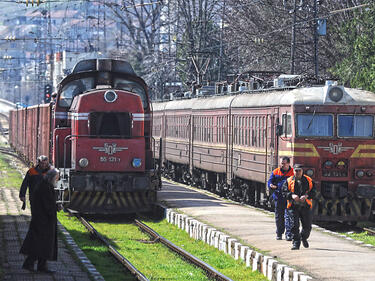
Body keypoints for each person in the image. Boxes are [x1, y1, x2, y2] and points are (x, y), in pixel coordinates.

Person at [20, 168, 60, 273]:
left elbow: (47, 203)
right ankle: (30, 264)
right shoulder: (45, 187)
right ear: (52, 177)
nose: (57, 179)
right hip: (43, 220)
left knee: (43, 244)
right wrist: (55, 208)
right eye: (56, 177)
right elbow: (47, 205)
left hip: (43, 219)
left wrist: (55, 207)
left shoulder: (45, 185)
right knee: (40, 243)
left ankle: (41, 266)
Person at [282, 164, 316, 250]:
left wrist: (306, 196)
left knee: (307, 227)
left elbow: (314, 192)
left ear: (302, 171)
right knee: (294, 225)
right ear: (293, 171)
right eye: (296, 171)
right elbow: (284, 192)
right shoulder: (288, 181)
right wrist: (291, 195)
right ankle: (296, 243)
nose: (297, 172)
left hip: (305, 206)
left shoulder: (309, 180)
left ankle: (303, 238)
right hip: (293, 206)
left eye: (299, 171)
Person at [268, 156, 294, 241]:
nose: (282, 165)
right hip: (278, 197)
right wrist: (270, 185)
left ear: (288, 163)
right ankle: (279, 233)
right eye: (281, 163)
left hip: (288, 198)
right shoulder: (276, 171)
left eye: (284, 163)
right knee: (279, 217)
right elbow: (270, 181)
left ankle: (288, 234)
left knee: (288, 216)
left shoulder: (293, 172)